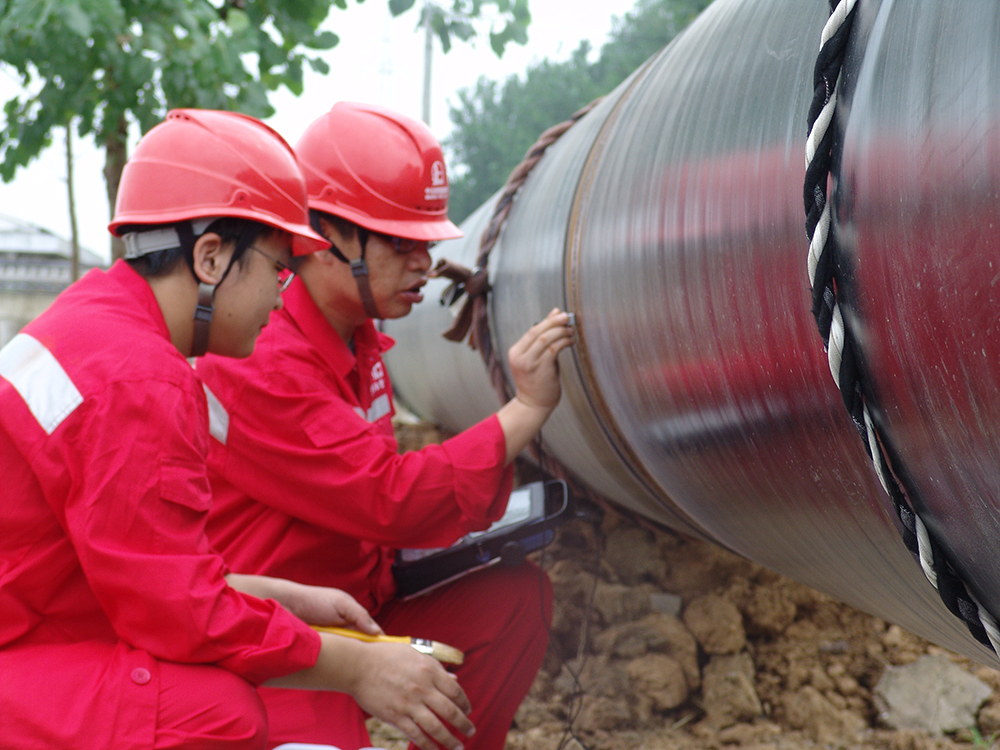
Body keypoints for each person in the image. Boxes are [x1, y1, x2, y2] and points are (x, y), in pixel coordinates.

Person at [0, 108, 473, 750]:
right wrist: (357, 667)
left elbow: (127, 568)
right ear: (212, 257)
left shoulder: (100, 318)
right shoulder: (142, 381)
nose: (283, 297)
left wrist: (282, 598)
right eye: (278, 269)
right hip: (18, 651)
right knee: (213, 711)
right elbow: (176, 616)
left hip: (27, 620)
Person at [196, 101, 575, 750]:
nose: (424, 263)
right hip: (274, 623)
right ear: (323, 238)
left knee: (514, 601)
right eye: (400, 242)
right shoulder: (264, 358)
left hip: (357, 595)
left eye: (425, 241)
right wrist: (527, 408)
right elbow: (389, 498)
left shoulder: (358, 335)